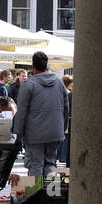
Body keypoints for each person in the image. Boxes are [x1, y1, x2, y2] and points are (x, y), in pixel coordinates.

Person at [15, 50, 69, 180]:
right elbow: (66, 109)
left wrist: (18, 135)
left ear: (33, 66)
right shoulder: (59, 82)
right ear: (47, 65)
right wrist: (62, 128)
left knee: (35, 166)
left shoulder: (29, 85)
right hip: (55, 133)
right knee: (51, 165)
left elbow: (21, 112)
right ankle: (51, 196)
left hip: (34, 135)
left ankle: (35, 198)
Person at [59, 75, 73, 165]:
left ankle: (63, 157)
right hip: (68, 121)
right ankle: (63, 157)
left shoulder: (69, 94)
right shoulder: (69, 94)